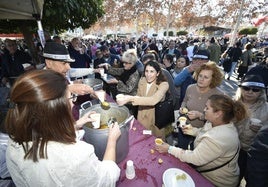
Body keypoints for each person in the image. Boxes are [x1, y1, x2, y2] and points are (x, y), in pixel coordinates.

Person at [5, 69, 121, 187]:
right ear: (55, 110)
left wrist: (78, 123)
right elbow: (106, 179)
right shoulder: (73, 157)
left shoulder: (14, 139)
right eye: (71, 98)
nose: (72, 104)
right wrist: (112, 140)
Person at [156, 94, 248, 187]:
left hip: (216, 181)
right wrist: (192, 130)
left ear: (218, 113)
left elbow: (194, 158)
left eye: (207, 108)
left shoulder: (218, 138)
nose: (204, 110)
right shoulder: (217, 122)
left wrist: (169, 149)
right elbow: (205, 131)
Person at [177, 61, 225, 149]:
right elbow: (184, 100)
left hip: (204, 133)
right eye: (200, 75)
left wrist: (200, 116)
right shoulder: (190, 88)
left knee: (195, 158)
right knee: (181, 152)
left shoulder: (219, 95)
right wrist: (183, 107)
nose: (201, 79)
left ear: (213, 79)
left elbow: (220, 119)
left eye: (206, 77)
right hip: (184, 127)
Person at [116, 60, 169, 139]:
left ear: (157, 73)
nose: (148, 75)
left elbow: (153, 100)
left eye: (152, 71)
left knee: (156, 141)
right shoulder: (142, 80)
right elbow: (138, 97)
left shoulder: (164, 84)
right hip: (142, 116)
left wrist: (130, 98)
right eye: (146, 71)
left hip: (156, 118)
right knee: (143, 139)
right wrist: (125, 98)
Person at [234, 74, 268, 186]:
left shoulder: (266, 109)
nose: (250, 92)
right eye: (246, 88)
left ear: (261, 92)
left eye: (255, 89)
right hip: (232, 149)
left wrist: (259, 131)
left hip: (253, 154)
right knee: (233, 179)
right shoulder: (232, 104)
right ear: (241, 89)